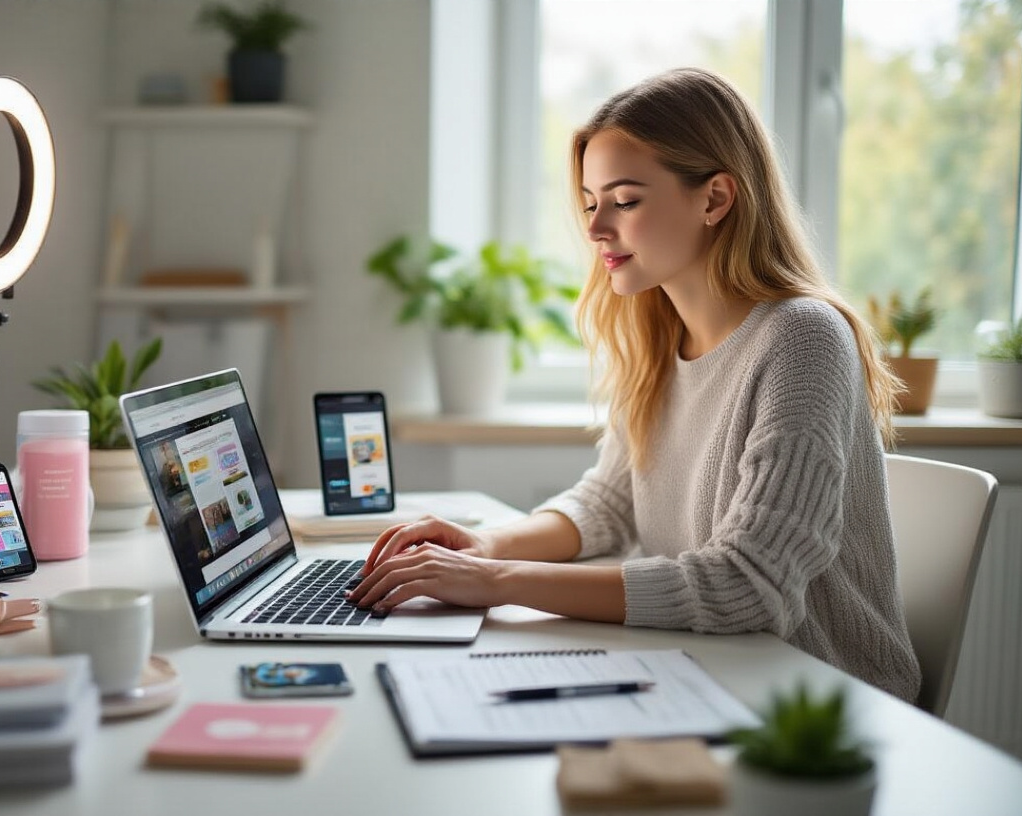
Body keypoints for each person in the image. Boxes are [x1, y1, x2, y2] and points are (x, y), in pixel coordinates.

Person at [348, 67, 922, 703]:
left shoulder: (802, 339)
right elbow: (609, 505)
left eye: (624, 202)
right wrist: (484, 544)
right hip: (710, 670)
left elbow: (747, 585)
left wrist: (496, 579)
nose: (595, 229)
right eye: (590, 203)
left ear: (715, 199)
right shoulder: (658, 337)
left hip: (817, 701)